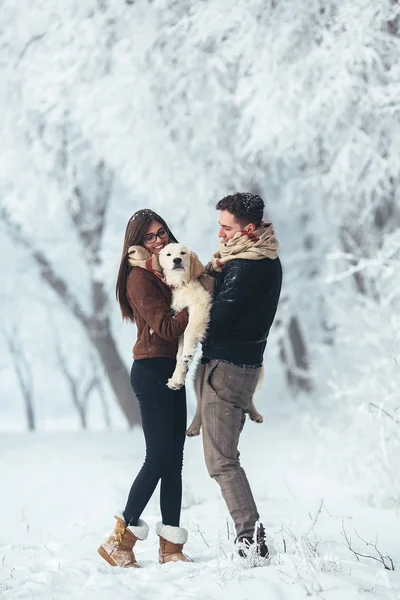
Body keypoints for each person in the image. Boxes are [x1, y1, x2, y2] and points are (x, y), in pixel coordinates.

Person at [98, 209, 192, 568]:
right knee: (157, 457)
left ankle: (171, 547)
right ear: (137, 243)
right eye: (150, 237)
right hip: (151, 371)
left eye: (162, 232)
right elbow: (167, 329)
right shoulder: (139, 278)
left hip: (173, 371)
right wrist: (199, 301)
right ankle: (119, 542)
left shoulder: (167, 269)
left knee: (174, 462)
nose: (159, 240)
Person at [195, 192, 282, 558]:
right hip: (239, 368)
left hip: (226, 370)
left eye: (226, 227)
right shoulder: (262, 257)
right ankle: (251, 538)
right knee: (226, 458)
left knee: (222, 462)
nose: (220, 235)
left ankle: (251, 541)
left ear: (248, 229)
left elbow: (216, 322)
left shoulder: (247, 267)